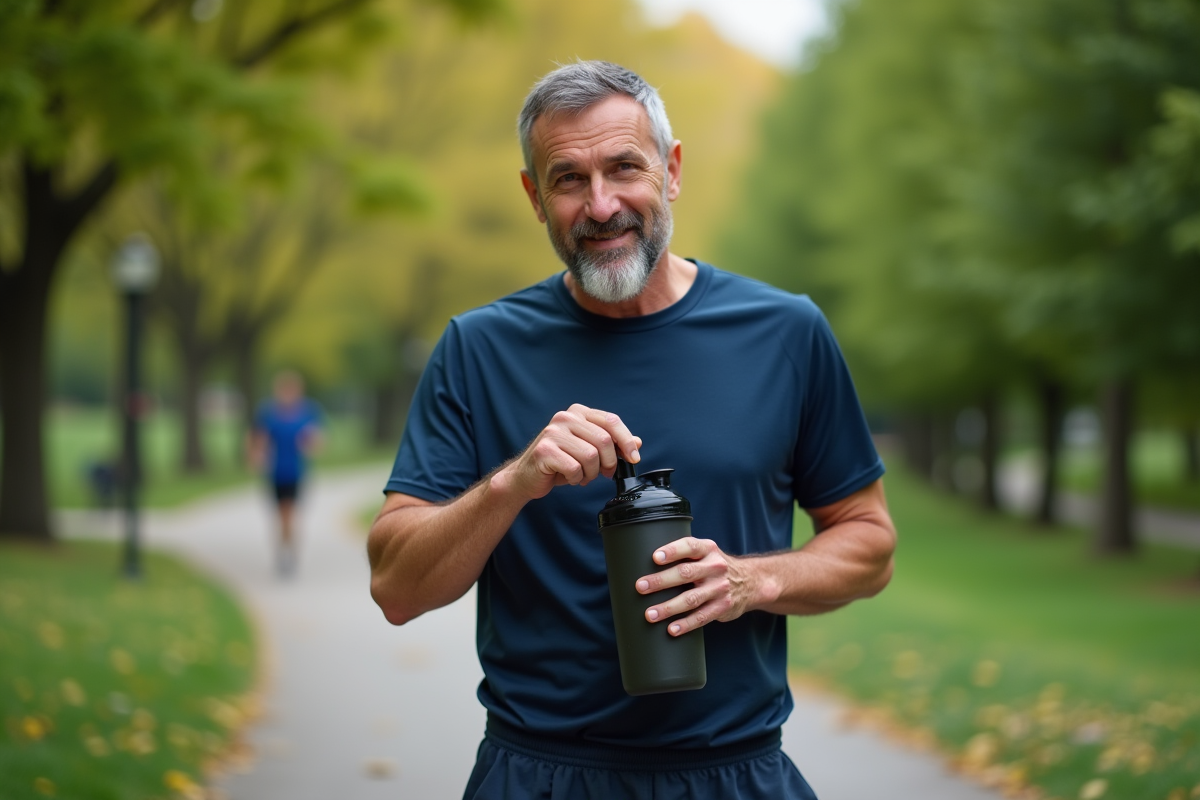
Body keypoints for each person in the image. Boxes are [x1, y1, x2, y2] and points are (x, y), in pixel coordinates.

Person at [367, 60, 897, 799]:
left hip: (734, 774)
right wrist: (514, 483)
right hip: (538, 776)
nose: (601, 203)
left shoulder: (785, 332)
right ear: (533, 196)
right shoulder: (478, 349)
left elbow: (869, 543)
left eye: (625, 167)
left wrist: (753, 580)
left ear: (672, 170)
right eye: (568, 179)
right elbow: (395, 586)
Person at [249, 370, 323, 577]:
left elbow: (317, 441)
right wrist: (257, 455)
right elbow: (258, 439)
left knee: (289, 514)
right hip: (275, 472)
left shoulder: (307, 412)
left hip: (296, 472)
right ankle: (284, 552)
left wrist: (310, 443)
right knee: (280, 516)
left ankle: (288, 554)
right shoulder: (269, 413)